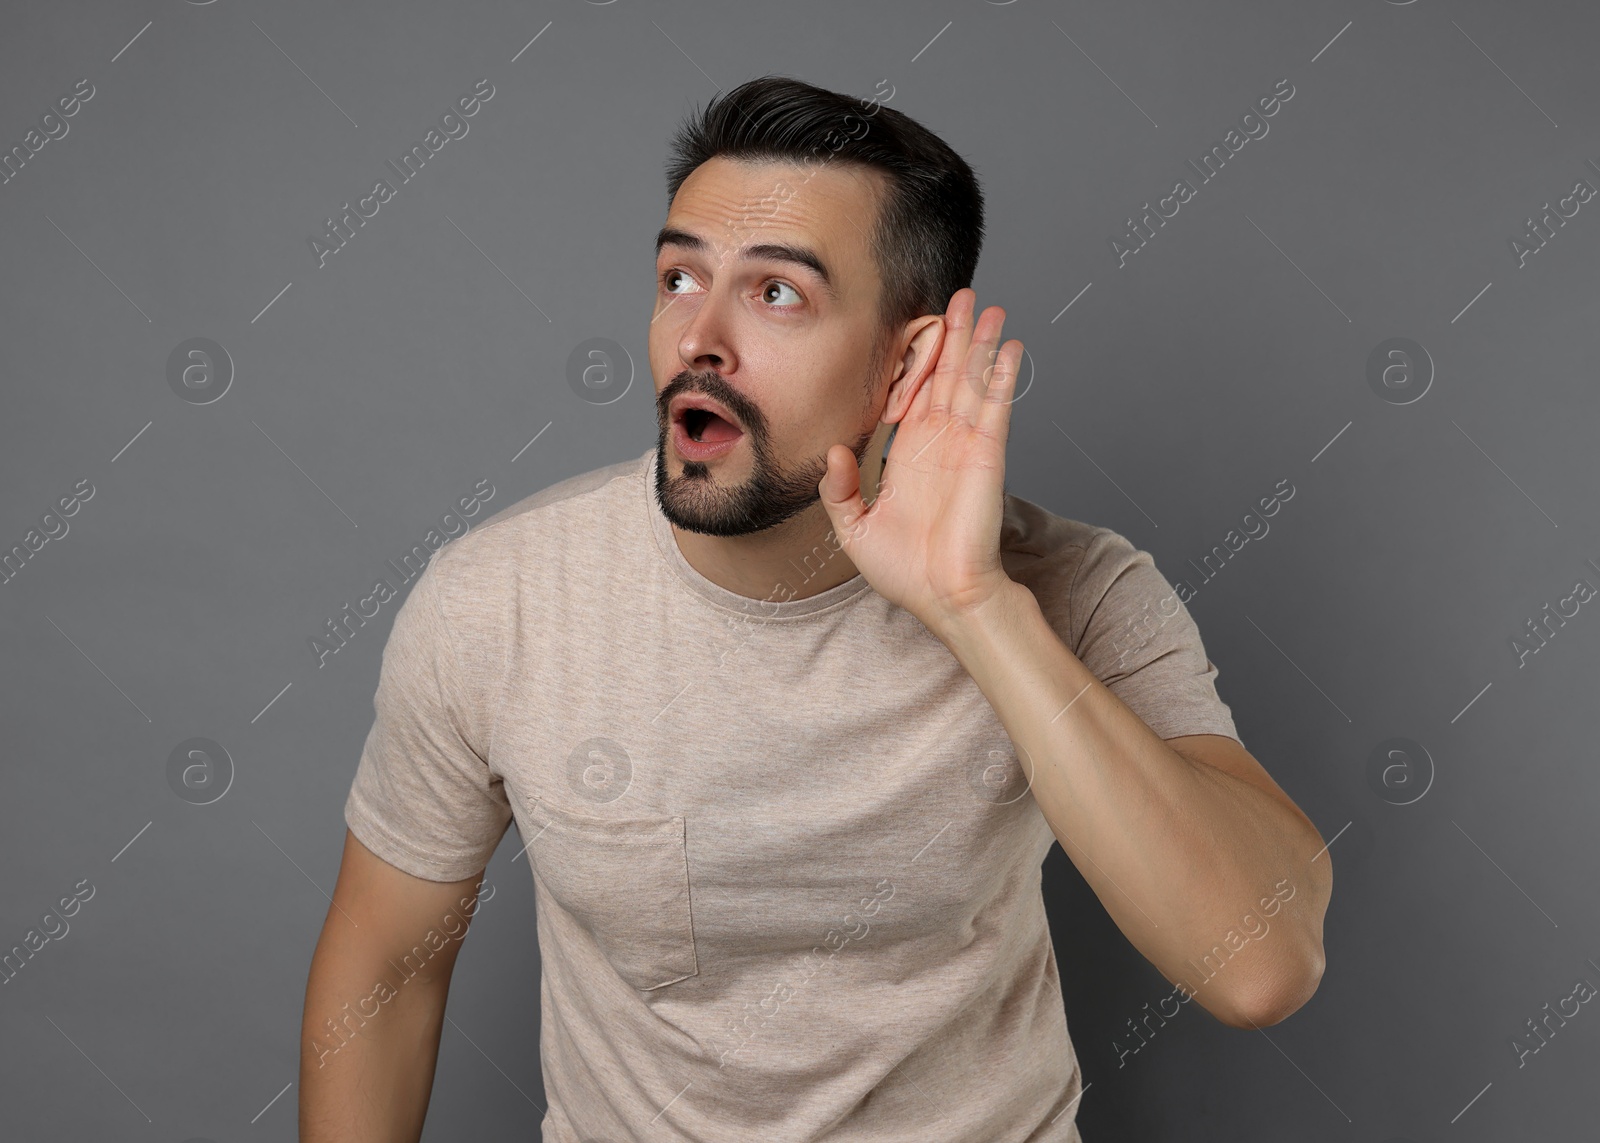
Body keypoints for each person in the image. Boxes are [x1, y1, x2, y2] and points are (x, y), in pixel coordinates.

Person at [299, 74, 1330, 1142]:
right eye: (677, 276)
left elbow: (1259, 965)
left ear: (909, 361)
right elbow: (383, 968)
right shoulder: (495, 601)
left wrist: (973, 605)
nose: (698, 337)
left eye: (775, 293)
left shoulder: (1077, 591)